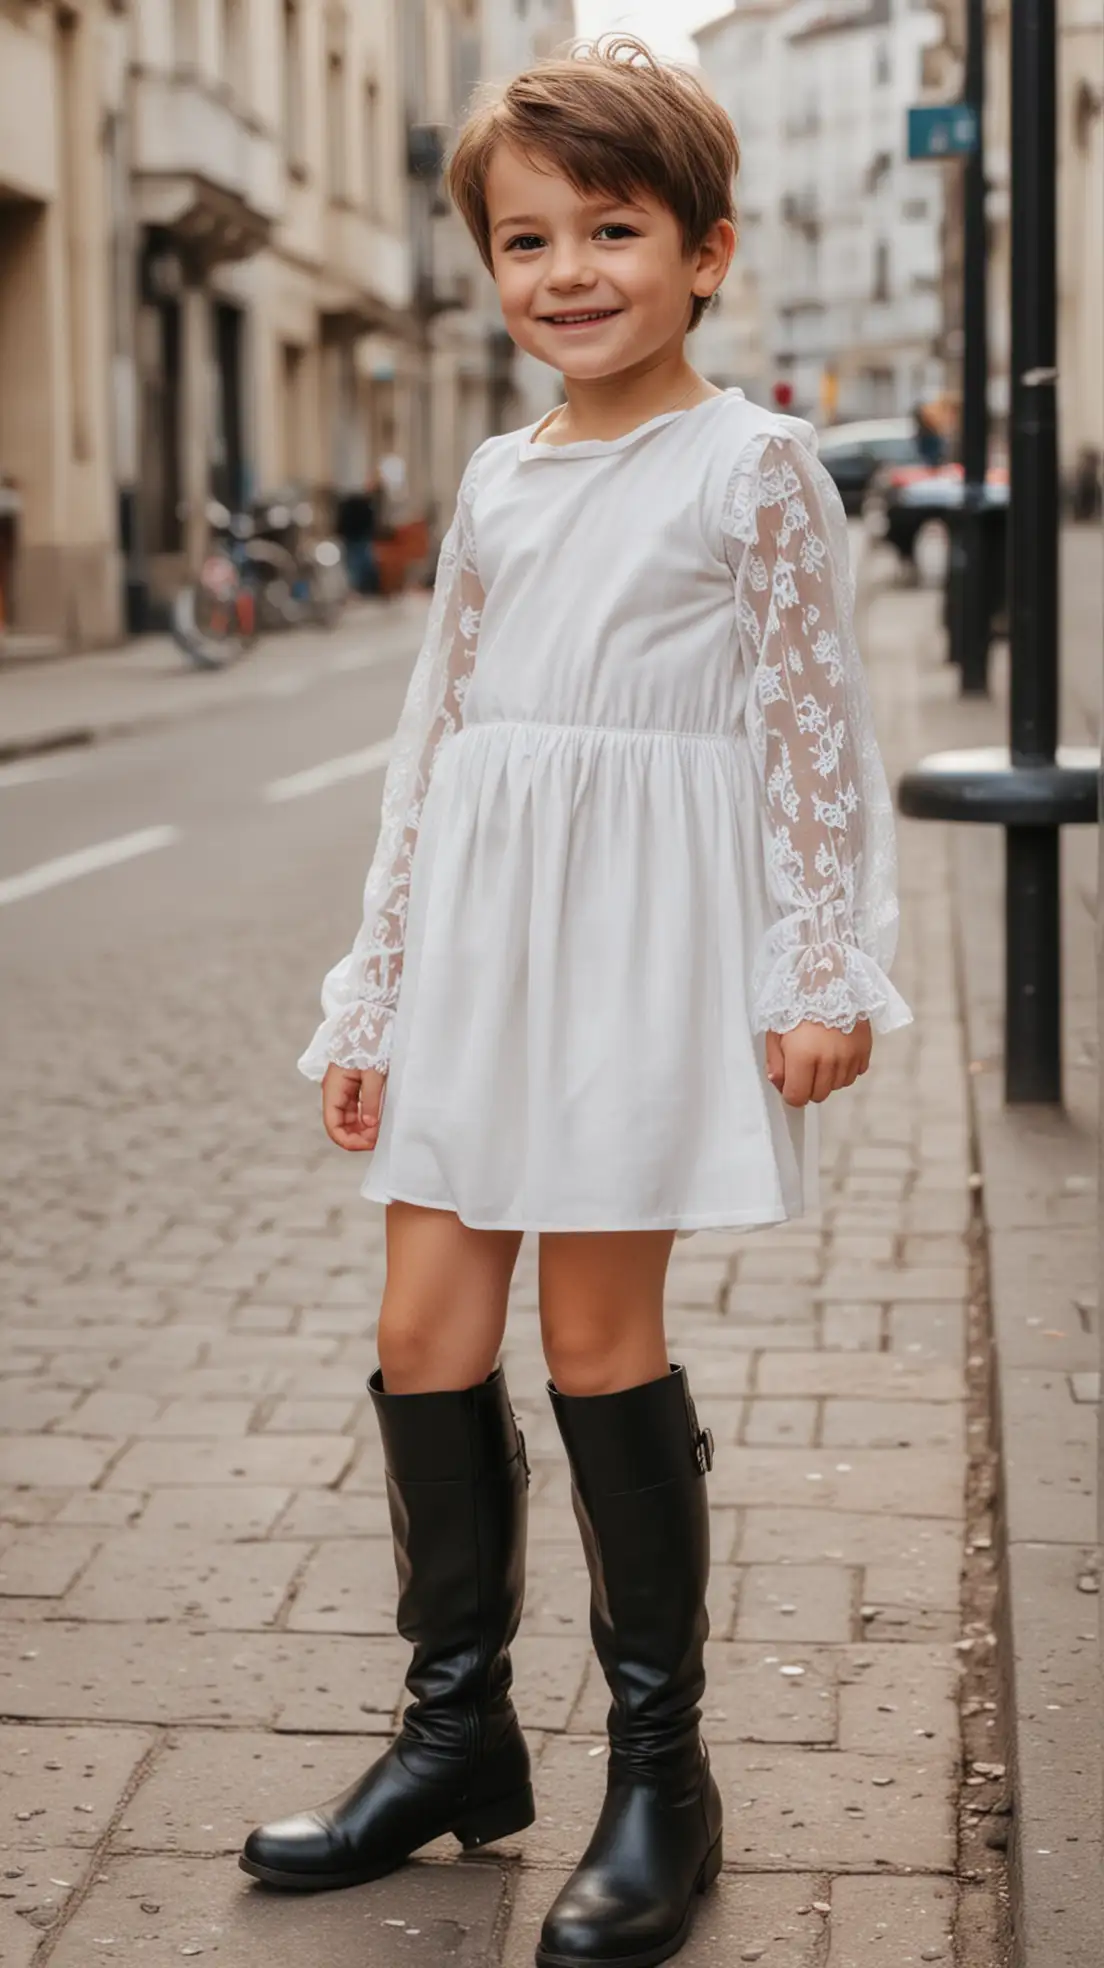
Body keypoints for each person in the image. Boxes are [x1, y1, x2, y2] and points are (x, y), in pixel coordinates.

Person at [240, 37, 911, 1967]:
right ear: (492, 266)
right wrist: (372, 989)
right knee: (426, 1322)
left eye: (611, 230)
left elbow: (811, 731)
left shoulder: (758, 463)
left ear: (704, 253)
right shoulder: (498, 472)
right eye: (526, 239)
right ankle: (454, 1738)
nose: (568, 271)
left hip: (640, 949)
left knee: (598, 1334)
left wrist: (817, 959)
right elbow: (432, 741)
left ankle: (660, 1776)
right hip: (478, 935)